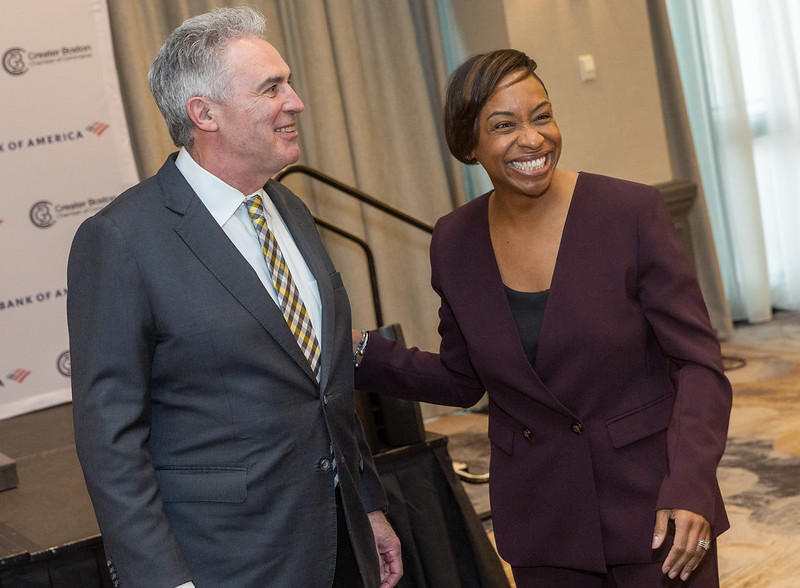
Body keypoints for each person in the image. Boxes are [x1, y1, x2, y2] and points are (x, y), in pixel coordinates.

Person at [353, 49, 731, 587]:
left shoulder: (630, 213)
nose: (532, 139)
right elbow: (463, 380)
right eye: (504, 125)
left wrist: (691, 483)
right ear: (468, 144)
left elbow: (698, 365)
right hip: (544, 521)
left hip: (658, 511)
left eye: (542, 116)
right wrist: (359, 352)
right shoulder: (454, 241)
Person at [67, 7, 401, 588]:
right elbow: (110, 439)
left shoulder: (290, 210)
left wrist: (366, 503)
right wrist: (162, 580)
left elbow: (323, 389)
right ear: (205, 113)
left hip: (338, 542)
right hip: (225, 562)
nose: (295, 101)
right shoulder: (121, 239)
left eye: (289, 83)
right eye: (272, 88)